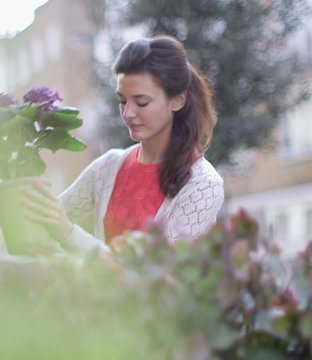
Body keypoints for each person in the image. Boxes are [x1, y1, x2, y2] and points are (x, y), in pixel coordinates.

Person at [21, 35, 224, 255]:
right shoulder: (108, 167)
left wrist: (69, 234)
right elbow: (47, 219)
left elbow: (154, 273)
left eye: (142, 102)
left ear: (177, 100)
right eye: (122, 101)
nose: (128, 113)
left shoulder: (204, 185)